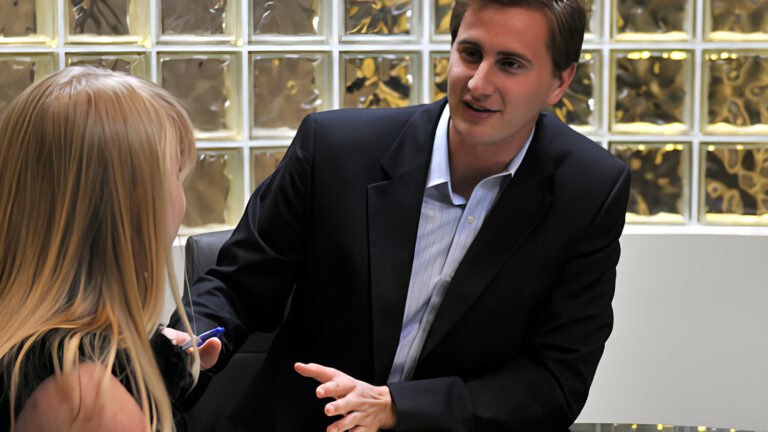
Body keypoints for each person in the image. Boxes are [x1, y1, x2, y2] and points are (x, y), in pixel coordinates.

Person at [174, 0, 631, 430]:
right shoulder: (335, 150)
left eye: (510, 64)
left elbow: (555, 380)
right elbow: (237, 283)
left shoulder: (587, 190)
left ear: (560, 81)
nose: (477, 83)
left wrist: (397, 409)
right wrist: (192, 345)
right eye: (470, 53)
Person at [0, 66, 219, 431]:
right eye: (176, 173)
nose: (182, 198)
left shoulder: (30, 348)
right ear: (131, 207)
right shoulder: (88, 401)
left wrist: (151, 361)